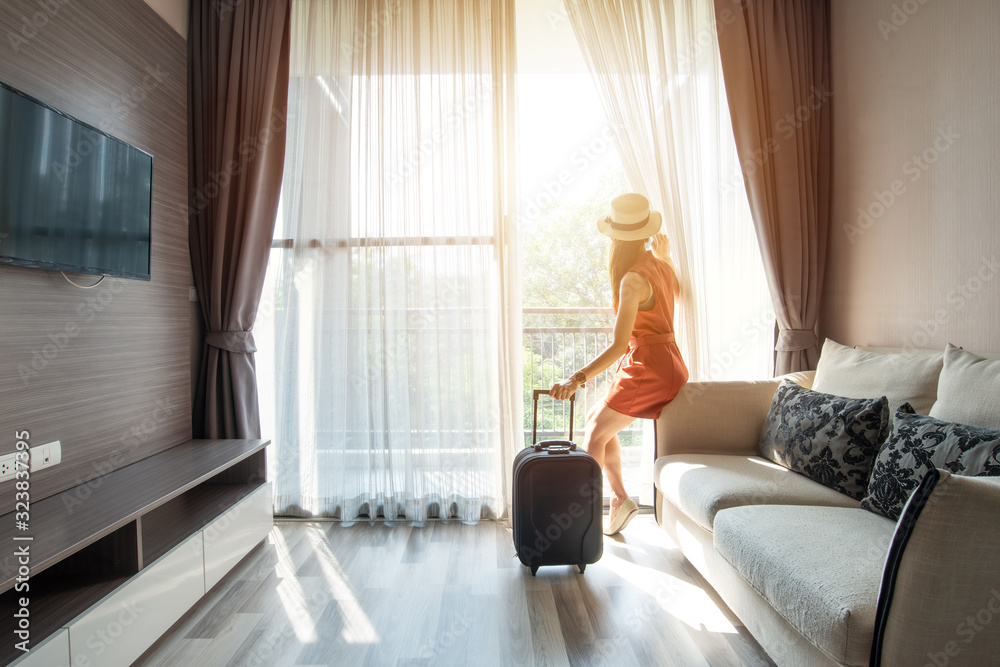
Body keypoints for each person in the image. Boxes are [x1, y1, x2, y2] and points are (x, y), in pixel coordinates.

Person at [550, 192, 688, 536]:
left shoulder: (631, 280)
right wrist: (667, 257)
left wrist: (576, 378)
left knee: (596, 433)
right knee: (595, 420)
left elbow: (618, 345)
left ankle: (579, 521)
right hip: (663, 360)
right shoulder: (656, 263)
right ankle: (620, 498)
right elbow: (679, 291)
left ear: (615, 237)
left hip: (649, 366)